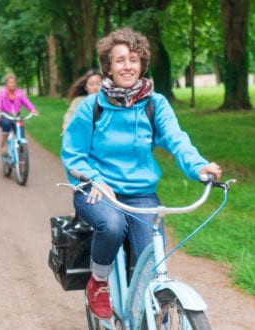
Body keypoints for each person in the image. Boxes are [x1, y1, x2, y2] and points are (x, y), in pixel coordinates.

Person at [60, 28, 222, 320]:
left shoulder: (154, 103)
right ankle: (98, 282)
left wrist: (199, 166)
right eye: (120, 60)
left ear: (142, 64)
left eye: (133, 60)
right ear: (108, 66)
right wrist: (93, 179)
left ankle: (149, 307)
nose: (127, 66)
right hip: (97, 187)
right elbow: (73, 153)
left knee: (151, 255)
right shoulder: (92, 107)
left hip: (140, 192)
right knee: (111, 226)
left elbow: (176, 139)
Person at [0, 73, 40, 156]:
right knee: (6, 124)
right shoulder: (2, 93)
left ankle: (22, 156)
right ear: (6, 84)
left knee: (21, 135)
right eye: (10, 82)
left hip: (17, 117)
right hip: (6, 116)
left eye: (14, 82)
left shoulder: (19, 93)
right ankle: (5, 145)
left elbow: (26, 102)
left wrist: (33, 110)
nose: (12, 84)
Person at [61, 69, 102, 133]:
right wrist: (66, 124)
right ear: (85, 87)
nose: (95, 87)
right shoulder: (79, 101)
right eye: (92, 84)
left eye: (99, 84)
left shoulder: (108, 101)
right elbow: (70, 114)